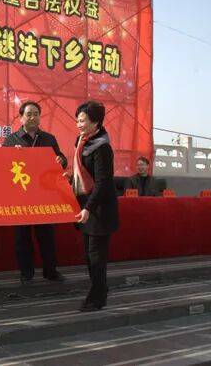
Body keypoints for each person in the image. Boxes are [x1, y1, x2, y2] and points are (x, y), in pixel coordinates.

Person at [3, 100, 68, 284]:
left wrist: (61, 160)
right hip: (21, 196)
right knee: (22, 238)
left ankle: (51, 271)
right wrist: (10, 156)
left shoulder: (49, 139)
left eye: (36, 114)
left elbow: (61, 159)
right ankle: (26, 274)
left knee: (47, 236)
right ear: (21, 117)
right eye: (29, 114)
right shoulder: (11, 140)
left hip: (44, 195)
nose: (33, 117)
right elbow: (1, 166)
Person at [71, 100, 119, 312]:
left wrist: (88, 208)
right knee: (90, 257)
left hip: (99, 211)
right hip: (86, 208)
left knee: (96, 257)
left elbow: (103, 183)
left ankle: (96, 298)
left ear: (96, 122)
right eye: (77, 120)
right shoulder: (82, 141)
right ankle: (101, 290)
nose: (79, 125)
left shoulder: (102, 148)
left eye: (83, 121)